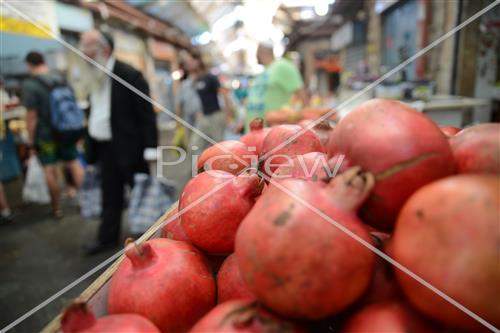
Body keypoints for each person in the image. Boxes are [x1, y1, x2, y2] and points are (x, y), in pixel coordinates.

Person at [79, 30, 158, 255]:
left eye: (88, 48)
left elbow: (146, 113)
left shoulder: (128, 74)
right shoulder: (94, 74)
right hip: (105, 148)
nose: (83, 53)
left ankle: (151, 239)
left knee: (140, 194)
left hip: (131, 148)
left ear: (105, 49)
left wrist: (151, 148)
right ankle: (106, 238)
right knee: (110, 194)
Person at [22, 51, 84, 219]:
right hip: (66, 130)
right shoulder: (60, 78)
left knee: (49, 170)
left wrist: (30, 140)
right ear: (43, 61)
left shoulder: (30, 85)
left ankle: (57, 209)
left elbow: (31, 117)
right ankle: (85, 202)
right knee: (74, 163)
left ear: (29, 64)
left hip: (45, 135)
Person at [245, 40, 306, 129]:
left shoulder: (282, 66)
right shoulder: (265, 71)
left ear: (261, 51)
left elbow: (301, 94)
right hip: (254, 131)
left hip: (273, 131)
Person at [185, 53, 233, 153]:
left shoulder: (210, 77)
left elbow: (224, 94)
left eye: (190, 61)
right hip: (204, 116)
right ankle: (201, 166)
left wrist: (228, 115)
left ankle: (219, 166)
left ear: (197, 61)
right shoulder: (196, 80)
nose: (188, 64)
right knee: (195, 145)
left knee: (219, 145)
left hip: (215, 115)